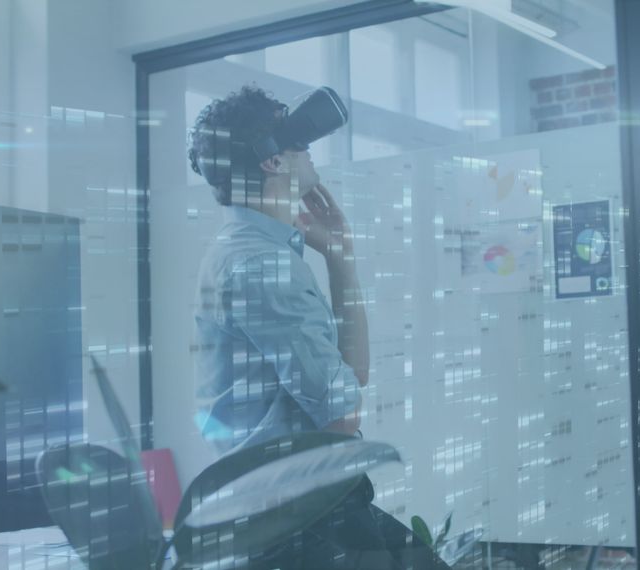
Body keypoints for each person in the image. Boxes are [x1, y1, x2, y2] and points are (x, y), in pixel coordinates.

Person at [188, 85, 447, 569]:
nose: (308, 147)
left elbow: (356, 375)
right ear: (271, 161)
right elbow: (343, 410)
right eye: (296, 136)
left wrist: (340, 257)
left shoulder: (253, 253)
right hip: (295, 524)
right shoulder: (261, 266)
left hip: (302, 508)